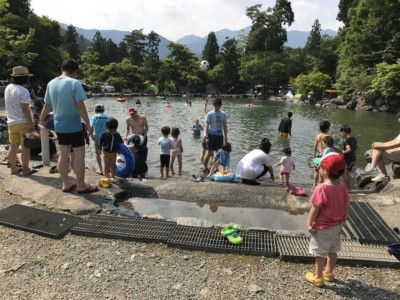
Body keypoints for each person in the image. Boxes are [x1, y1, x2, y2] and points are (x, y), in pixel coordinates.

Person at [40, 58, 98, 193]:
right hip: (74, 126)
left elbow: (47, 105)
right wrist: (88, 124)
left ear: (62, 69)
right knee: (79, 155)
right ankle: (81, 185)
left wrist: (41, 120)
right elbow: (80, 105)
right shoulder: (75, 83)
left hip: (59, 126)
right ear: (75, 71)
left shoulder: (51, 83)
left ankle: (66, 184)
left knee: (63, 154)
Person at [305, 152, 350, 288]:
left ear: (324, 171)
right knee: (332, 250)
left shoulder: (321, 188)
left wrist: (309, 224)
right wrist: (344, 219)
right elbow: (347, 204)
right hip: (336, 226)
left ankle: (318, 277)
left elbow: (315, 209)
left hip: (322, 227)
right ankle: (329, 273)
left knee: (320, 253)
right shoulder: (342, 186)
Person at [5, 66, 37, 175]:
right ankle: (25, 169)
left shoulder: (8, 87)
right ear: (25, 78)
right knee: (25, 147)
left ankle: (13, 168)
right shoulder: (23, 91)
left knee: (13, 146)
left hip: (11, 122)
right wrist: (31, 124)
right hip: (23, 123)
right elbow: (25, 109)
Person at [362, 112, 400, 183]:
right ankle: (379, 172)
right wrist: (381, 144)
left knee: (378, 152)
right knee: (377, 148)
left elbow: (397, 144)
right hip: (397, 151)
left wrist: (382, 146)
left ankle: (378, 171)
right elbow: (394, 141)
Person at [203, 98, 227, 173]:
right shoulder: (210, 114)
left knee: (218, 153)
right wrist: (207, 137)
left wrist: (226, 137)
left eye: (218, 106)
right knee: (209, 153)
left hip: (219, 135)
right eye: (215, 105)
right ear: (213, 105)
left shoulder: (223, 114)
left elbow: (225, 126)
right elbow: (207, 126)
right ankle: (205, 167)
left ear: (220, 105)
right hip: (211, 135)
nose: (216, 107)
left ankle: (215, 167)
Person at [90, 103, 111, 175]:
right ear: (103, 110)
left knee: (98, 153)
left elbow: (92, 127)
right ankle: (107, 169)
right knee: (106, 153)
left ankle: (101, 169)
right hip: (107, 137)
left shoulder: (94, 117)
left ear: (95, 110)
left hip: (98, 137)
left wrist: (91, 136)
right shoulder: (109, 117)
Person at [313, 120, 331, 190]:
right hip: (325, 156)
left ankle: (314, 185)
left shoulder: (318, 135)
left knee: (316, 171)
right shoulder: (328, 136)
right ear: (327, 128)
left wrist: (314, 157)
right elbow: (329, 148)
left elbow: (314, 147)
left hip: (318, 155)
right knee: (322, 172)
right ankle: (321, 186)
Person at [339, 125, 358, 190]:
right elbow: (357, 147)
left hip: (348, 160)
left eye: (341, 133)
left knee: (345, 174)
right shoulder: (353, 138)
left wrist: (342, 152)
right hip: (353, 159)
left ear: (343, 132)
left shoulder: (346, 140)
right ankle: (346, 187)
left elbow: (348, 149)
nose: (341, 134)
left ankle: (348, 189)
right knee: (346, 173)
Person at [199, 95, 210, 164]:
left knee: (203, 150)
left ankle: (201, 164)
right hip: (210, 135)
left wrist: (206, 101)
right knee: (210, 152)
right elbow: (204, 110)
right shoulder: (210, 116)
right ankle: (210, 165)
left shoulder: (206, 116)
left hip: (205, 135)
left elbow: (204, 110)